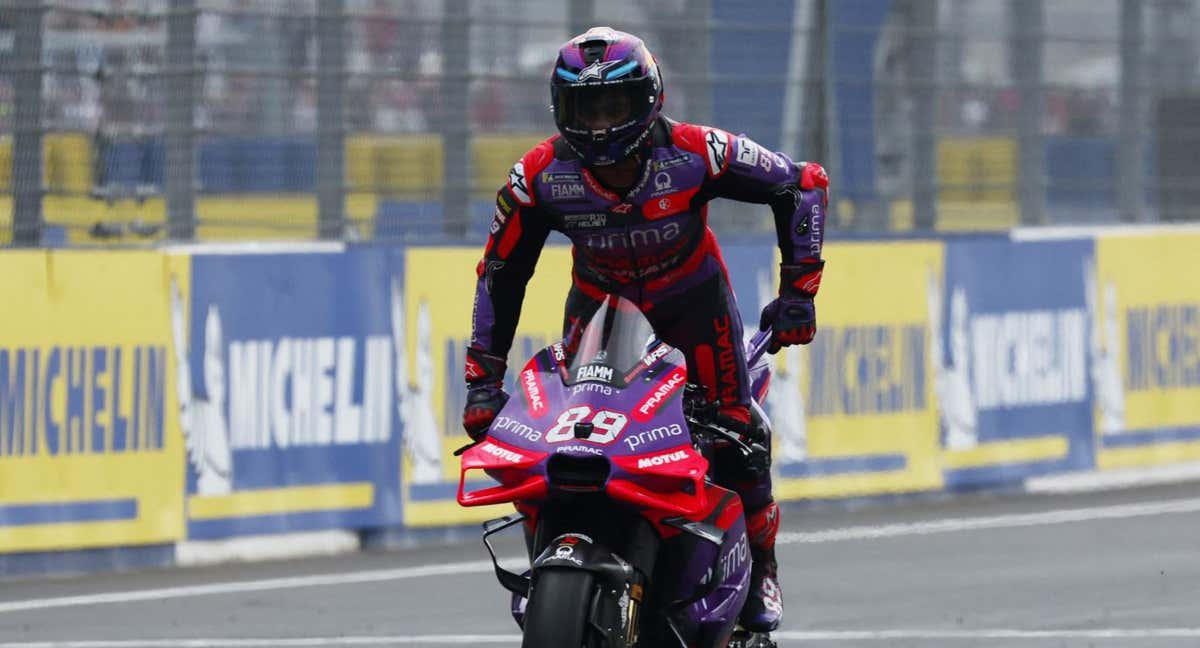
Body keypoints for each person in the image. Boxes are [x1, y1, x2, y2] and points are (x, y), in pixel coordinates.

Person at [461, 26, 828, 633]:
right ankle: (553, 562)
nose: (602, 124)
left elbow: (801, 183)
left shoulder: (697, 151)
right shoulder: (538, 175)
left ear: (649, 99)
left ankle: (762, 566)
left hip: (693, 312)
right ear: (562, 109)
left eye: (615, 105)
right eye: (587, 107)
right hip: (596, 318)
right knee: (564, 446)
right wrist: (482, 381)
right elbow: (500, 272)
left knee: (741, 435)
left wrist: (800, 291)